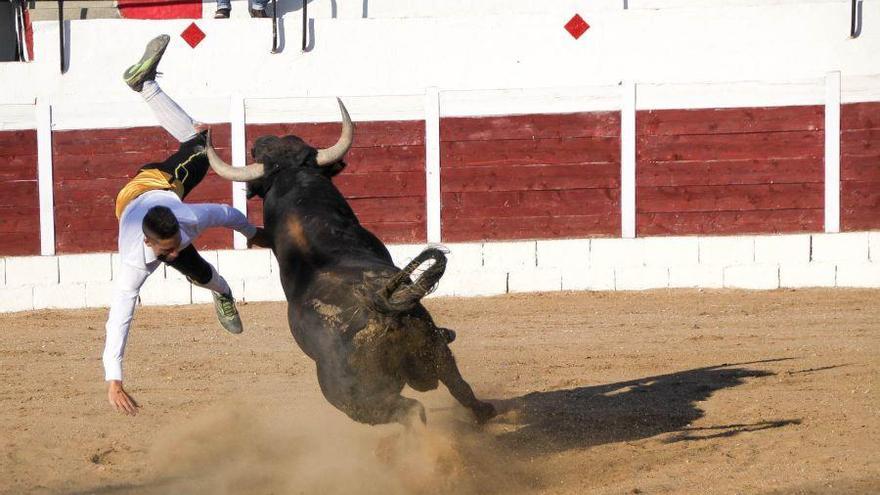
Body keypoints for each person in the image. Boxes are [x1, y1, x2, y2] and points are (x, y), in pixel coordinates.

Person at [105, 34, 269, 416]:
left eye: (176, 244)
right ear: (150, 245)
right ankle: (144, 86)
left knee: (201, 143)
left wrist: (253, 233)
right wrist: (114, 377)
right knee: (199, 270)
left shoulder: (188, 219)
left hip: (160, 184)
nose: (176, 251)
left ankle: (145, 86)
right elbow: (120, 316)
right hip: (133, 201)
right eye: (168, 251)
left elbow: (228, 215)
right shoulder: (134, 260)